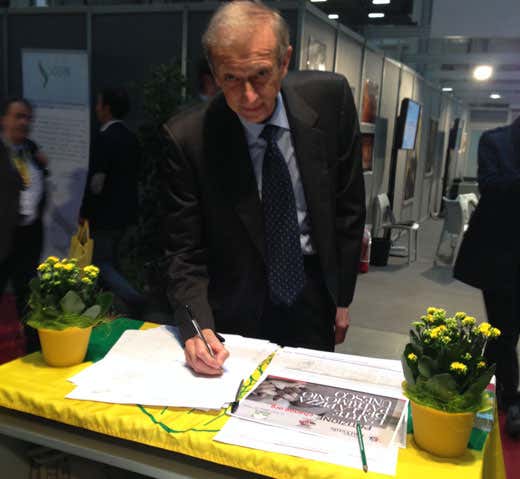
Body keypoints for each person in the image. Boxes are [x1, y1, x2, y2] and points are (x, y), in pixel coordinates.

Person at [162, 1, 365, 376]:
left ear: (284, 61)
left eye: (260, 75)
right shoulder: (189, 138)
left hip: (311, 289)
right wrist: (196, 326)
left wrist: (342, 298)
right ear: (214, 72)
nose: (249, 97)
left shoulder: (330, 99)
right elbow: (184, 250)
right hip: (234, 301)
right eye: (231, 79)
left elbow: (348, 207)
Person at [454, 116, 520, 437]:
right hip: (498, 257)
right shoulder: (495, 141)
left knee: (504, 334)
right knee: (504, 331)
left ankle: (490, 391)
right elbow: (491, 187)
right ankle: (507, 399)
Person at [81, 87, 144, 317]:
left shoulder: (104, 138)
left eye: (99, 104)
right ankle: (118, 309)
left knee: (101, 263)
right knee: (115, 261)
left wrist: (86, 211)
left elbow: (97, 183)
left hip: (105, 214)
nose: (97, 108)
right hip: (128, 212)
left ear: (106, 108)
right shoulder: (131, 138)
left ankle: (134, 298)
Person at [0, 97, 49, 351]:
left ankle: (34, 350)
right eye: (18, 116)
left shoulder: (30, 149)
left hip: (28, 236)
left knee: (28, 295)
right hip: (2, 236)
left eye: (28, 117)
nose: (24, 122)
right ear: (4, 120)